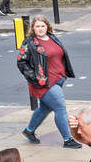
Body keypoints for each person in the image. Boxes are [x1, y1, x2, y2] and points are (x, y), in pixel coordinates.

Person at [18, 16, 80, 149]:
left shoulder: (52, 37)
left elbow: (61, 55)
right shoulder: (29, 42)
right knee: (60, 107)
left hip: (59, 78)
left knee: (45, 108)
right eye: (37, 26)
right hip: (44, 82)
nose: (40, 29)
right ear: (33, 28)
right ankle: (68, 139)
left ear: (47, 27)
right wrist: (35, 78)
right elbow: (21, 62)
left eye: (43, 26)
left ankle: (29, 131)